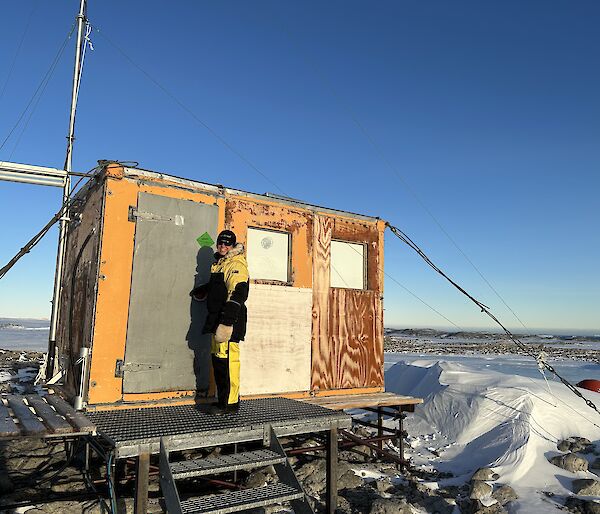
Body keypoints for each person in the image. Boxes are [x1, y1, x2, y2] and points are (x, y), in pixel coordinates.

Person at [191, 230, 249, 414]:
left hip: (229, 321)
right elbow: (221, 286)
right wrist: (205, 289)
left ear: (233, 246)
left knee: (229, 362)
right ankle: (222, 400)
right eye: (220, 243)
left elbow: (238, 292)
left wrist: (227, 323)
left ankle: (230, 404)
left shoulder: (236, 264)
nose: (223, 247)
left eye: (227, 244)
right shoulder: (219, 264)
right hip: (217, 319)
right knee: (218, 361)